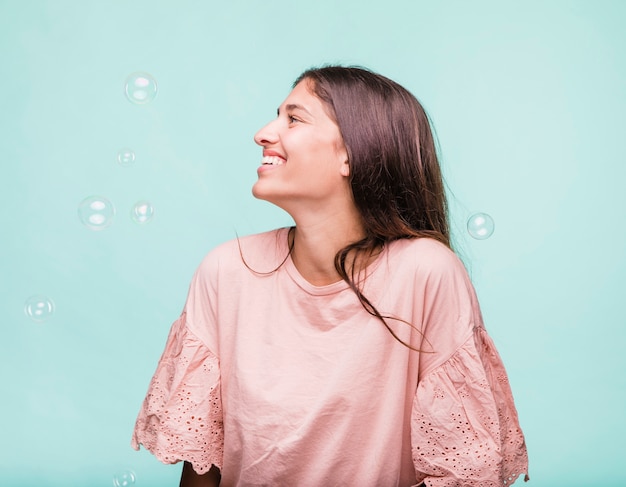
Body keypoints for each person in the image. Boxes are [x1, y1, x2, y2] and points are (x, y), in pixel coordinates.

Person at [131, 65, 529, 486]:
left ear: (352, 153)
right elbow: (202, 467)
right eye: (277, 115)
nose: (263, 133)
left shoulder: (426, 273)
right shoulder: (225, 270)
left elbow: (464, 470)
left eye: (294, 118)